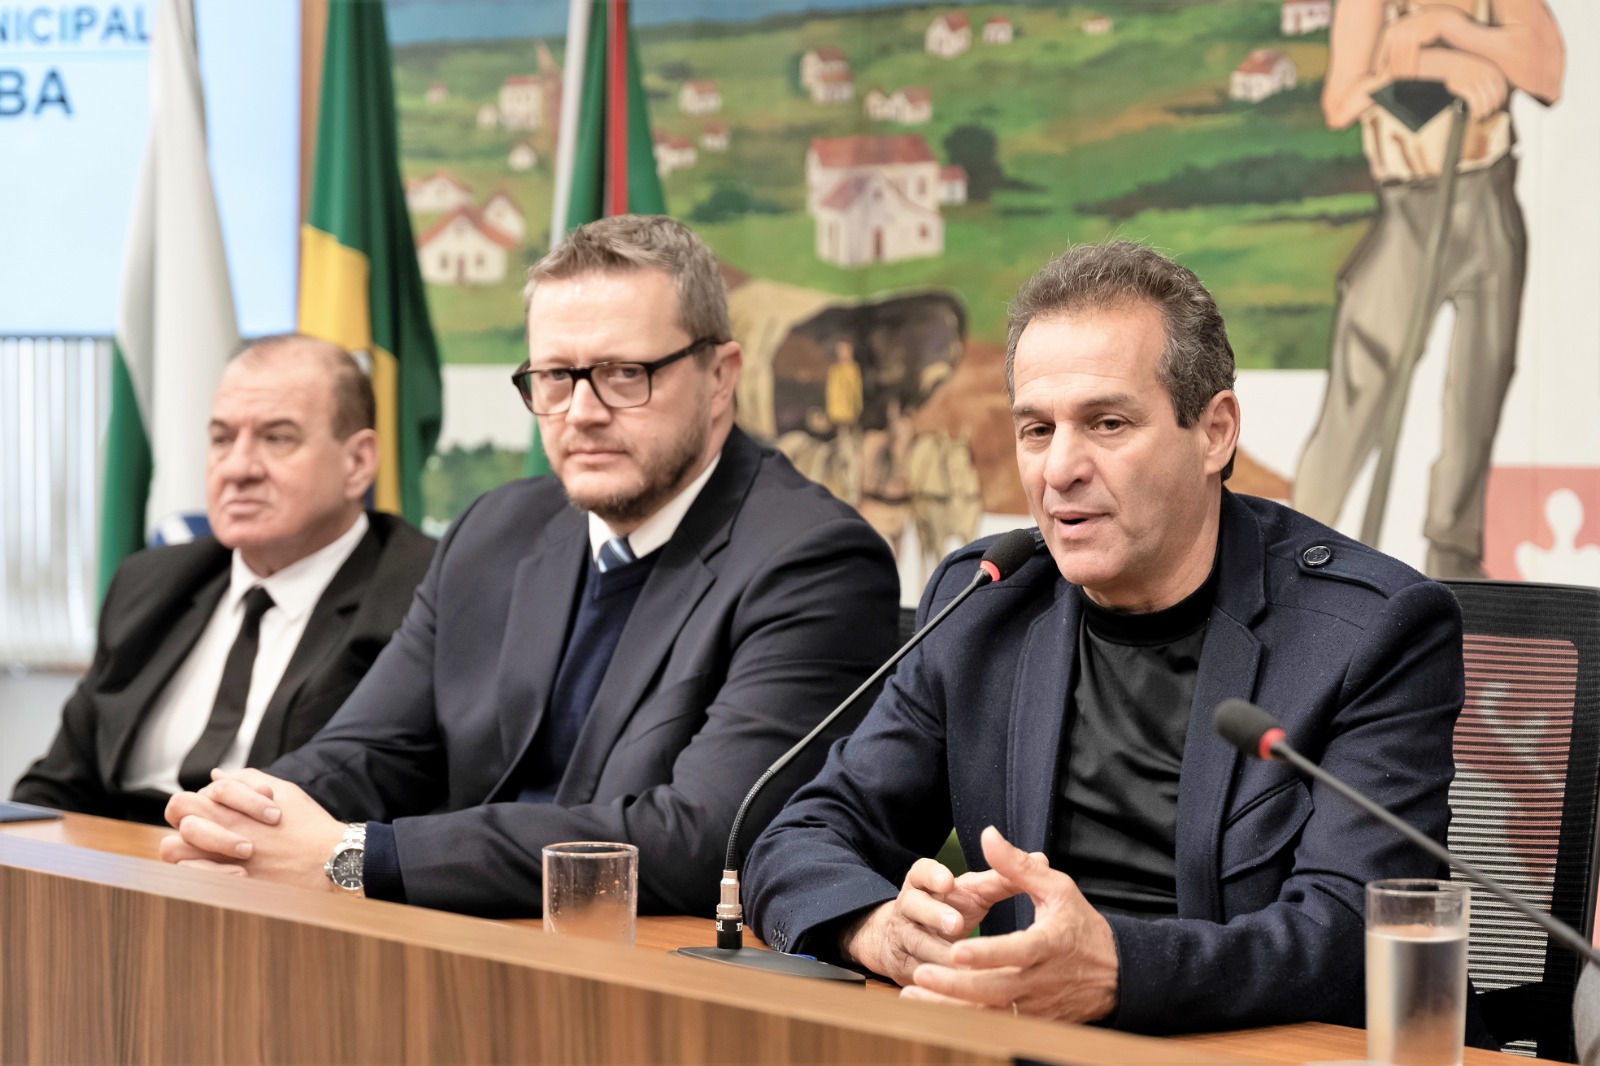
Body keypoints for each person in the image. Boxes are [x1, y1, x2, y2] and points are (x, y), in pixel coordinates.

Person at [744, 241, 1467, 1034]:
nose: (1060, 469)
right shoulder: (986, 601)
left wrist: (1119, 969)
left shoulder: (1369, 631)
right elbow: (802, 836)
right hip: (1021, 1041)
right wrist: (878, 928)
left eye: (1107, 423)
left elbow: (1348, 938)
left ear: (1215, 432)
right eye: (1036, 430)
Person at [158, 215, 901, 918]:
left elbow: (701, 842)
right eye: (553, 377)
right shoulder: (496, 529)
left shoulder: (814, 561)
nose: (581, 411)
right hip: (462, 944)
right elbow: (372, 749)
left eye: (623, 373)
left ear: (719, 376)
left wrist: (358, 856)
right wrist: (245, 817)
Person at [13, 335, 435, 824]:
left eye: (278, 438)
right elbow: (57, 786)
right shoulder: (150, 583)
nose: (237, 468)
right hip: (118, 872)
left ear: (358, 462)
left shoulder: (420, 593)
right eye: (221, 438)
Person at [1292, 0, 1563, 578]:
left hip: (1487, 195)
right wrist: (1440, 66)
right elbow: (1342, 100)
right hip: (1408, 206)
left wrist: (1449, 31)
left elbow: (1545, 71)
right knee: (1362, 385)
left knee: (1480, 385)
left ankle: (1455, 565)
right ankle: (1302, 561)